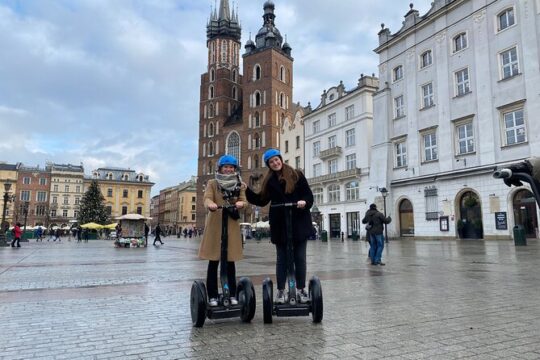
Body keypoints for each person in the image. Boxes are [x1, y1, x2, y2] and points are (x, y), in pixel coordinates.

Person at [244, 148, 314, 304]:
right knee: (281, 259)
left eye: (276, 159)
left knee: (300, 258)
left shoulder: (296, 175)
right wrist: (247, 190)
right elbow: (261, 200)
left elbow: (308, 195)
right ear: (269, 165)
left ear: (281, 159)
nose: (275, 163)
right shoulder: (269, 181)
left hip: (299, 222)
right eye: (271, 162)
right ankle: (281, 290)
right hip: (280, 225)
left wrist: (304, 202)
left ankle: (301, 289)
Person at [198, 155, 246, 307]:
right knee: (214, 261)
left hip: (231, 225)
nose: (228, 169)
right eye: (225, 167)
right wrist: (211, 204)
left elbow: (244, 200)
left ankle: (232, 294)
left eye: (231, 167)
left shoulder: (240, 184)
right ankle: (212, 295)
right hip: (215, 225)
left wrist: (240, 203)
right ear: (220, 168)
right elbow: (206, 198)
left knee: (230, 262)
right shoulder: (212, 183)